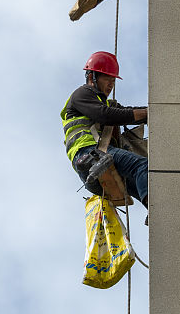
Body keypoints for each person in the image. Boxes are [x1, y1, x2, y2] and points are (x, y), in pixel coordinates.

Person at [60, 50, 148, 210]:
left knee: (142, 181)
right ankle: (158, 208)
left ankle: (157, 212)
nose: (111, 84)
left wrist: (153, 112)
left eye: (113, 80)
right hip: (88, 154)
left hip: (95, 161)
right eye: (106, 78)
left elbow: (126, 112)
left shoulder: (104, 104)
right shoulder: (82, 94)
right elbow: (107, 116)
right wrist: (147, 113)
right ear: (92, 76)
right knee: (142, 167)